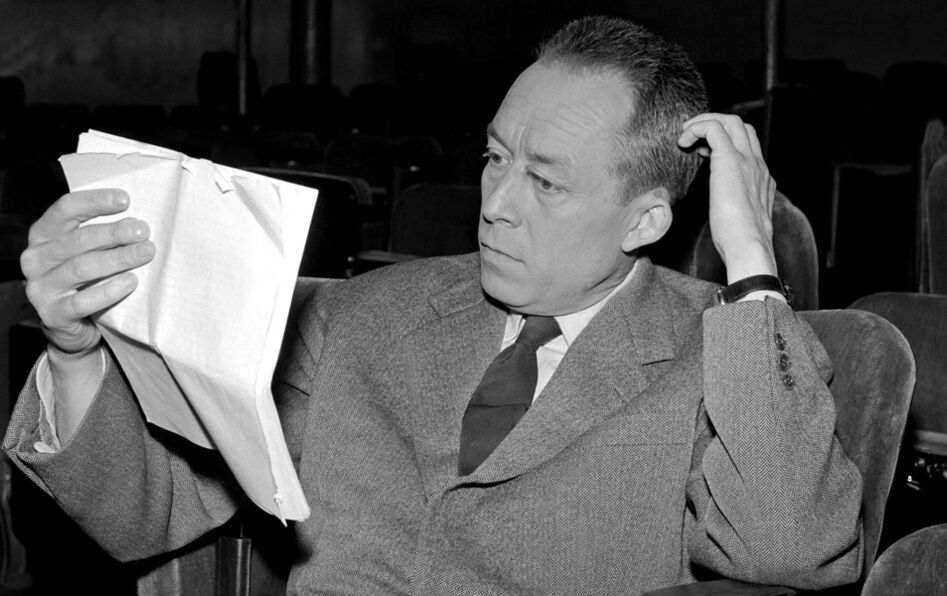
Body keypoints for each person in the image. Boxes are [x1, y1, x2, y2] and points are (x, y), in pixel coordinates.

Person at [5, 15, 863, 595]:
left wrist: (751, 259)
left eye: (545, 181)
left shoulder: (725, 354)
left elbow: (789, 548)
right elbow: (139, 513)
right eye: (495, 158)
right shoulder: (360, 317)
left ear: (644, 219)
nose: (496, 203)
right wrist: (77, 354)